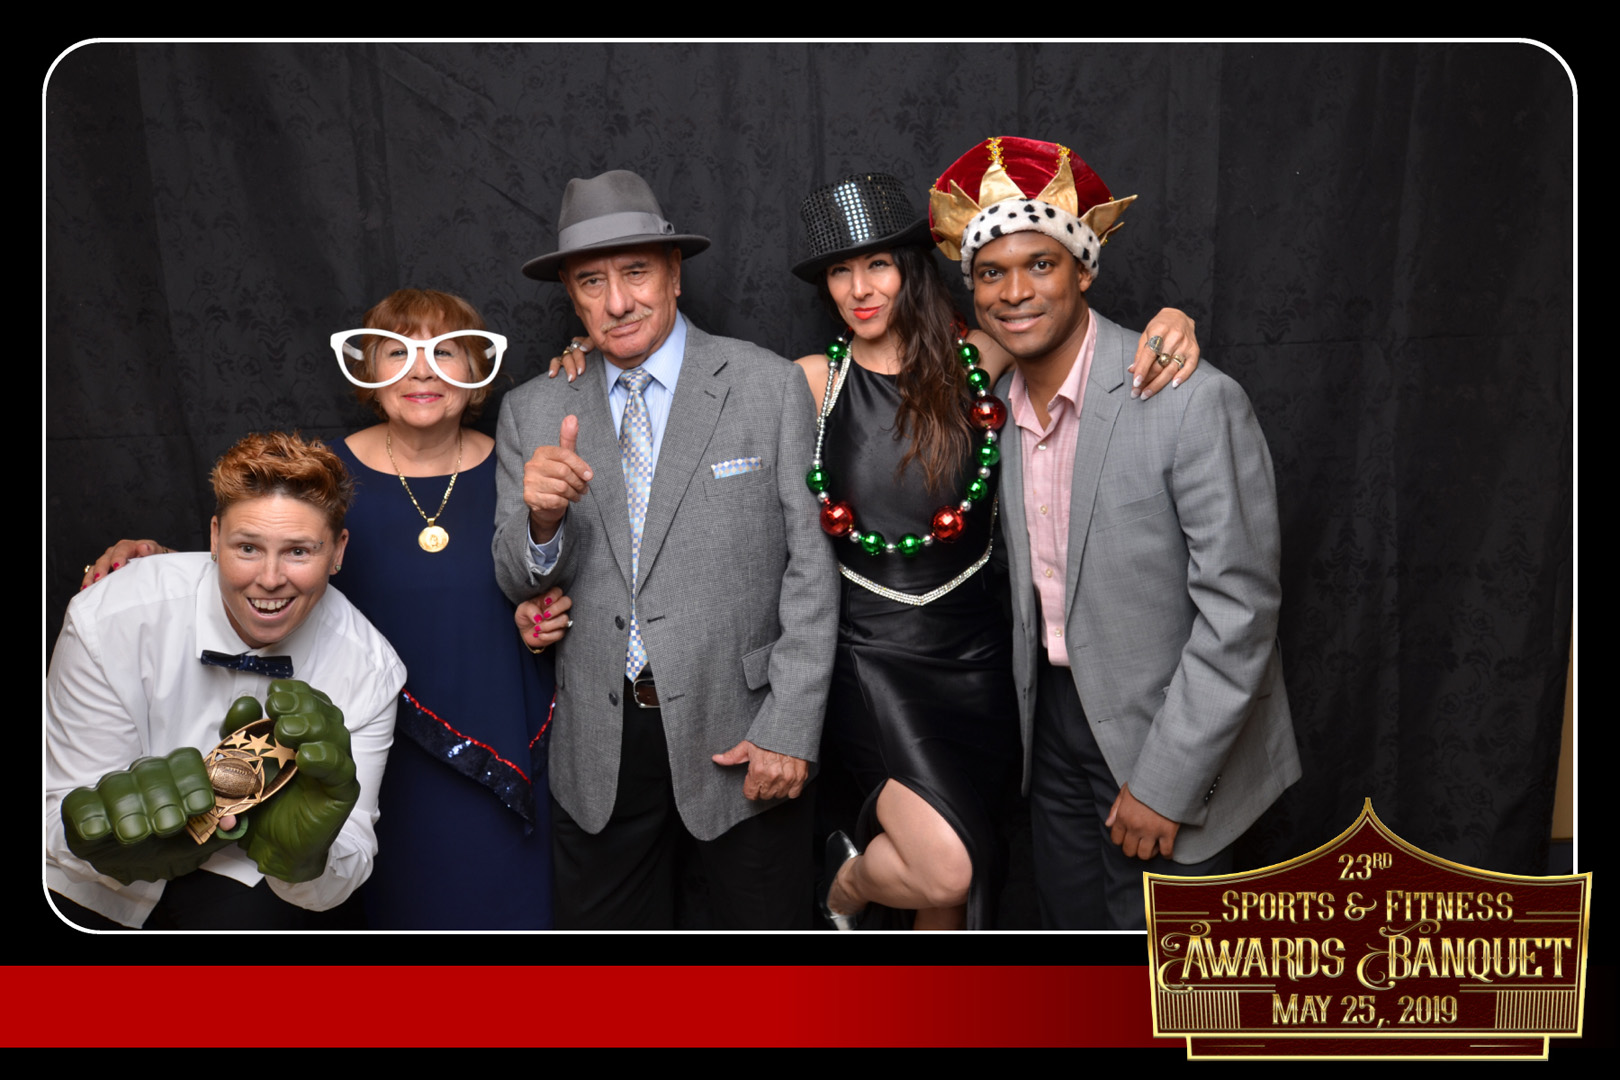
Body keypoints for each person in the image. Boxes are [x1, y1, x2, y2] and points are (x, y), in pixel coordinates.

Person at [78, 290, 578, 929]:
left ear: (477, 372)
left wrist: (537, 624)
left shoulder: (518, 463)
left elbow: (544, 570)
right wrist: (149, 559)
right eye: (397, 352)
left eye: (444, 352)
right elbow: (257, 570)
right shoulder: (322, 475)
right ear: (368, 370)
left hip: (488, 736)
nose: (421, 371)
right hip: (349, 745)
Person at [786, 173, 1202, 930]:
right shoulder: (813, 382)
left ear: (912, 267)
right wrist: (589, 357)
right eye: (839, 272)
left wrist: (1174, 318)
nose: (859, 287)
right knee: (947, 867)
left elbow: (1078, 336)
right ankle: (844, 885)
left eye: (877, 264)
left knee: (959, 889)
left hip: (981, 662)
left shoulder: (980, 358)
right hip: (872, 660)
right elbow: (709, 424)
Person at [929, 135, 1301, 929]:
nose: (1014, 291)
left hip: (1168, 730)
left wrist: (1165, 782)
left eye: (1041, 265)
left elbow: (1240, 617)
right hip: (1054, 729)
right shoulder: (994, 403)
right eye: (991, 272)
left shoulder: (1190, 400)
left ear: (1085, 271)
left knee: (1165, 985)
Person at [495, 168, 838, 929]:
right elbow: (513, 575)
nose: (617, 302)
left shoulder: (765, 384)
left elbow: (812, 575)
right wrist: (542, 524)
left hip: (742, 733)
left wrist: (789, 728)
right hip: (602, 748)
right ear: (572, 296)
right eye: (592, 282)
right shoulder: (535, 409)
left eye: (637, 273)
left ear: (675, 273)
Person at [48, 430, 403, 929]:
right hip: (88, 891)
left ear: (338, 551)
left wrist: (305, 860)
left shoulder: (369, 667)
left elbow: (347, 865)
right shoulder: (109, 616)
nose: (271, 578)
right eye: (248, 547)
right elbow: (57, 811)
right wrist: (99, 842)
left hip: (249, 888)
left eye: (299, 551)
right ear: (215, 537)